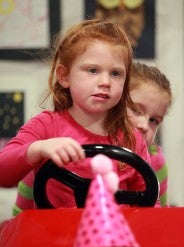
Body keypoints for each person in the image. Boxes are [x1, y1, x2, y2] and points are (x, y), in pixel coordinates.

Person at [0, 19, 152, 211]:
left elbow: (149, 203)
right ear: (64, 76)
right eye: (93, 70)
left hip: (112, 238)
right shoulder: (46, 126)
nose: (105, 81)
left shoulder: (132, 139)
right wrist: (37, 149)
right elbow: (3, 174)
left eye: (116, 74)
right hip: (53, 237)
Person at [127, 61, 172, 207]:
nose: (144, 125)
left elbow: (159, 218)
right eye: (136, 110)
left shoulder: (156, 162)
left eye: (154, 120)